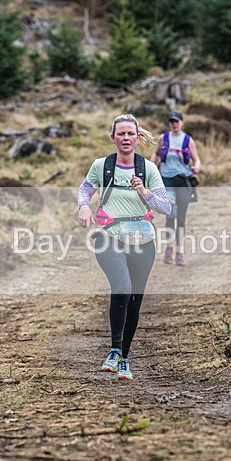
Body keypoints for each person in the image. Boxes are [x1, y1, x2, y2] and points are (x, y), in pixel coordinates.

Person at [77, 114, 171, 380]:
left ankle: (125, 359)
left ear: (138, 138)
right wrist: (84, 206)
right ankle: (114, 350)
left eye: (131, 134)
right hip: (108, 235)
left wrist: (145, 192)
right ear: (113, 138)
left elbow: (165, 207)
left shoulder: (148, 169)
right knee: (122, 288)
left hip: (143, 239)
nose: (126, 138)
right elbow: (84, 191)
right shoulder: (102, 166)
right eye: (121, 134)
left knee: (135, 300)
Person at [150, 111, 201, 266]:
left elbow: (196, 159)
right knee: (170, 215)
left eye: (176, 121)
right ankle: (168, 250)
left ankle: (180, 252)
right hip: (166, 182)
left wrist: (196, 167)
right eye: (171, 121)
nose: (174, 124)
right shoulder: (163, 139)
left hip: (183, 182)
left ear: (182, 123)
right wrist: (150, 167)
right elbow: (156, 154)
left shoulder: (187, 140)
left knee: (181, 218)